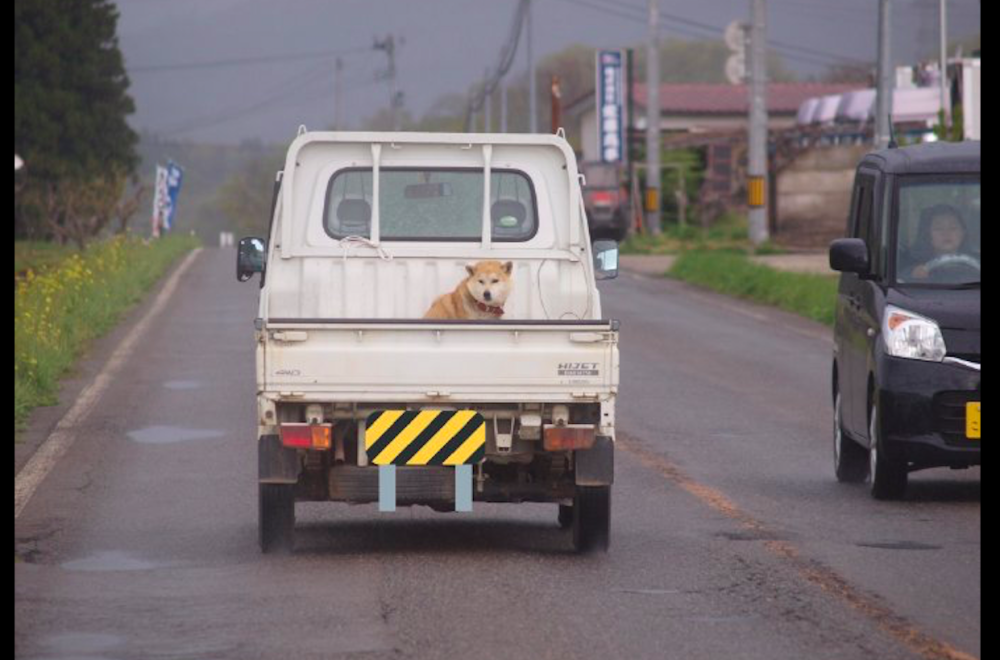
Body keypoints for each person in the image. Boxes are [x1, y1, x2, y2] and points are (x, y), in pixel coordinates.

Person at [904, 204, 980, 281]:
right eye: (938, 228)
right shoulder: (914, 265)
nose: (946, 233)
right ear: (927, 235)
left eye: (953, 228)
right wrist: (914, 275)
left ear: (962, 233)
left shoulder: (978, 261)